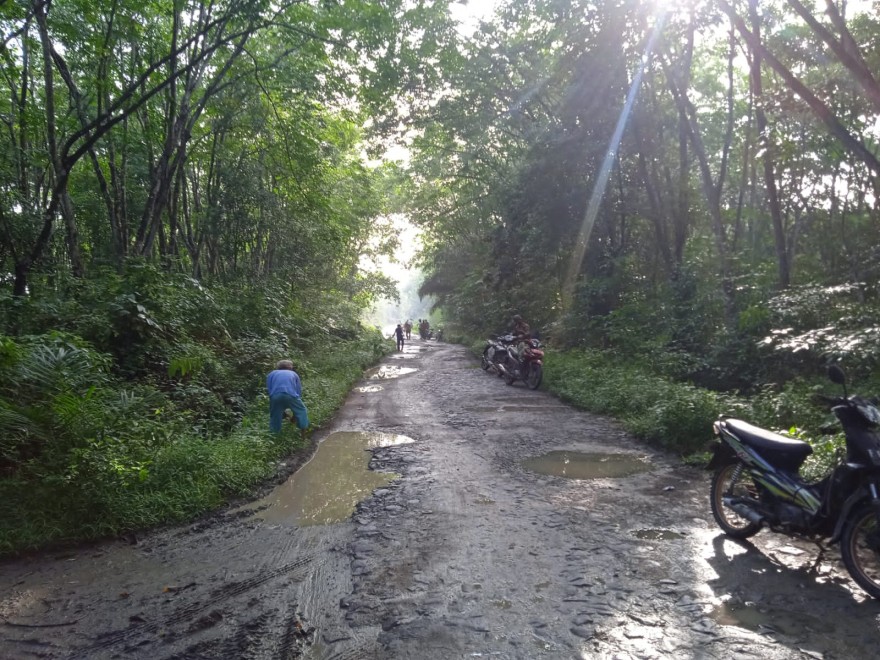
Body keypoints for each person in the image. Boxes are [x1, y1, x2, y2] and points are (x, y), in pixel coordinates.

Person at [267, 359, 309, 439]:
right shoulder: (293, 374)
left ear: (278, 367)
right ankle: (303, 436)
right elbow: (298, 390)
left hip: (275, 395)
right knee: (301, 411)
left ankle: (275, 437)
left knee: (275, 415)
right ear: (290, 367)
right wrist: (295, 411)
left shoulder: (271, 374)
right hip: (290, 394)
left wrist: (275, 403)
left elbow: (270, 389)